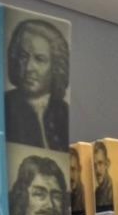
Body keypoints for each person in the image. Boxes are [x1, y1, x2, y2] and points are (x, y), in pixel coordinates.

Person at [4, 18, 70, 149]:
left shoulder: (64, 112)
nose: (29, 67)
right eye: (23, 57)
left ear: (56, 66)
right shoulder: (5, 105)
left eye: (40, 59)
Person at [92, 137, 114, 212]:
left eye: (100, 163)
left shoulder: (112, 191)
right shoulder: (97, 193)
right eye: (94, 165)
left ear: (107, 164)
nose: (97, 170)